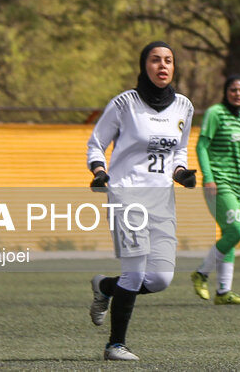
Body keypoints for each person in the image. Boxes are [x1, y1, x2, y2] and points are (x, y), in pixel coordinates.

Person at [86, 41, 197, 362]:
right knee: (134, 273)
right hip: (126, 195)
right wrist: (99, 171)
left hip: (162, 200)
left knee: (160, 279)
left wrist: (180, 172)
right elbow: (96, 144)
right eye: (155, 60)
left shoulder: (184, 108)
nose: (162, 66)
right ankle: (115, 345)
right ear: (143, 65)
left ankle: (106, 287)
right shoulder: (125, 103)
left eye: (168, 61)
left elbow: (178, 150)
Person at [190, 75, 240, 305]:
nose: (238, 94)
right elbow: (201, 145)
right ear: (226, 92)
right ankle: (201, 274)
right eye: (233, 90)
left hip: (238, 185)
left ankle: (223, 292)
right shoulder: (215, 113)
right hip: (220, 183)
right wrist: (209, 178)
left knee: (229, 236)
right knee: (235, 232)